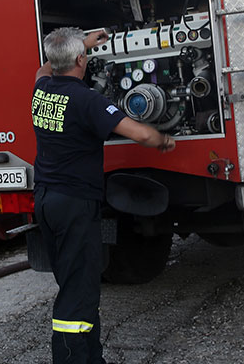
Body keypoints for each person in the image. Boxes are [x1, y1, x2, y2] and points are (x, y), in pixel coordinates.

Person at [32, 27, 175, 364]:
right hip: (74, 203)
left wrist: (77, 45)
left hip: (47, 199)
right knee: (77, 291)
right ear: (82, 60)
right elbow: (138, 132)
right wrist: (164, 141)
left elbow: (41, 69)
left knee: (75, 280)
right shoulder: (87, 100)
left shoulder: (42, 88)